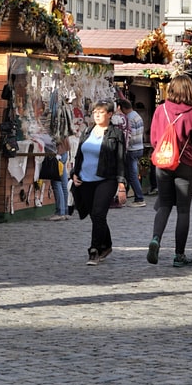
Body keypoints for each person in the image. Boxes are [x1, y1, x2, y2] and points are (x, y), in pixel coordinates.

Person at [147, 75, 192, 268]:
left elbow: (154, 138)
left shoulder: (159, 109)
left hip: (163, 163)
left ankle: (156, 238)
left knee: (164, 205)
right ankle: (179, 255)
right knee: (183, 210)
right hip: (184, 163)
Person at [70, 99, 127, 265]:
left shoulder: (115, 134)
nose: (97, 115)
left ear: (110, 114)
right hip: (85, 180)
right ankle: (107, 244)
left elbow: (121, 159)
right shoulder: (87, 131)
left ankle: (94, 250)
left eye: (101, 112)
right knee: (95, 216)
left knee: (98, 213)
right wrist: (75, 173)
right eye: (95, 112)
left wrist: (121, 184)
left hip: (106, 179)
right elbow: (79, 155)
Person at [118, 98, 147, 206]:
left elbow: (130, 136)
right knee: (130, 173)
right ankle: (125, 195)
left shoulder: (129, 119)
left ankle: (139, 198)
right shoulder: (137, 115)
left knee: (132, 175)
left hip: (132, 149)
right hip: (139, 147)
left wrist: (124, 146)